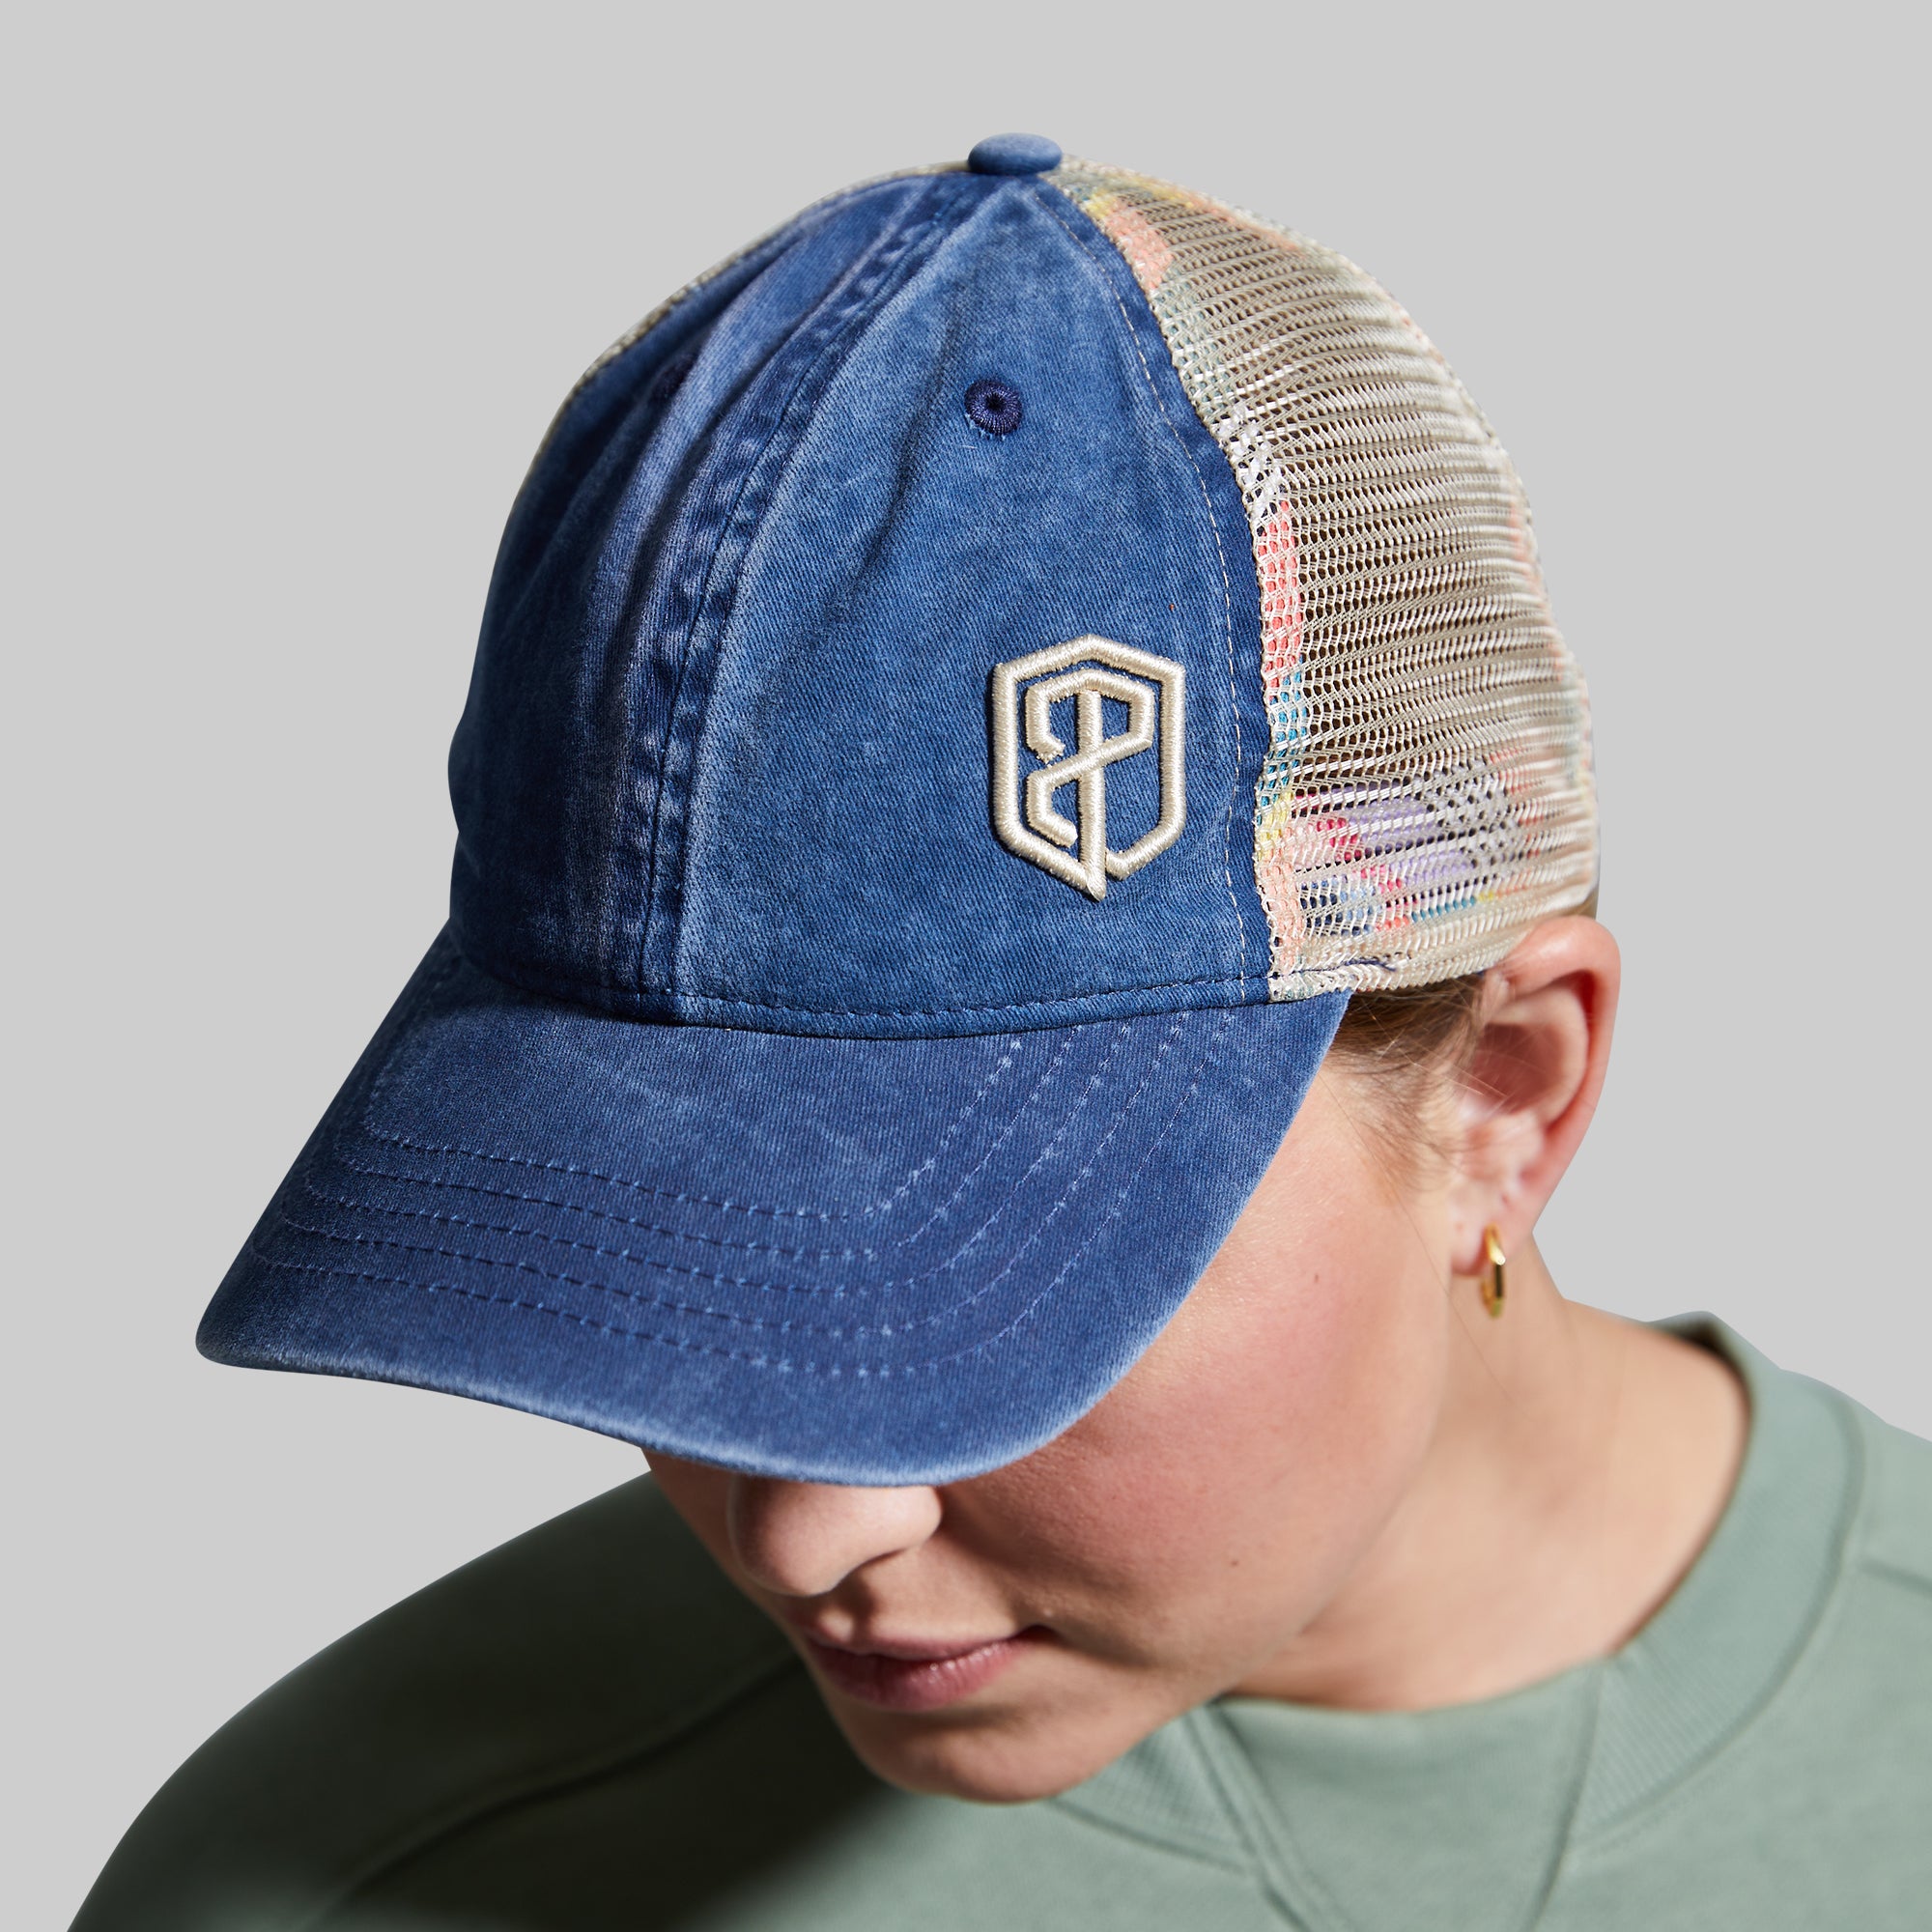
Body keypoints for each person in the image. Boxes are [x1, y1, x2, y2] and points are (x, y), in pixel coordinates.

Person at [74, 134, 1931, 1930]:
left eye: (1001, 1297)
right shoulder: (331, 1885)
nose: (804, 1540)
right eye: (664, 1271)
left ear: (1507, 1097)